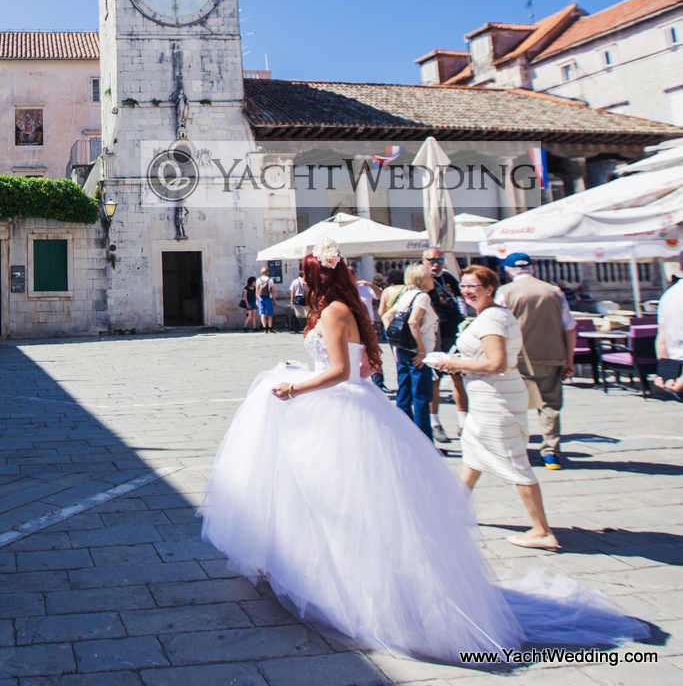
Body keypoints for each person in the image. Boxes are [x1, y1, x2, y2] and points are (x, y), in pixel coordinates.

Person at [200, 238, 647, 663]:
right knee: (341, 502)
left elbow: (338, 372)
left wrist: (294, 387)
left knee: (338, 502)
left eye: (305, 273)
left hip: (340, 409)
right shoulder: (346, 307)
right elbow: (361, 369)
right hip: (356, 405)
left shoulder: (334, 311)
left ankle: (349, 589)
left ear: (316, 275)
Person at [432, 266, 558, 550]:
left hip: (497, 398)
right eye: (464, 286)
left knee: (515, 461)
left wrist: (455, 363)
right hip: (487, 397)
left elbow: (496, 363)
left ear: (489, 289)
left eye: (473, 286)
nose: (467, 291)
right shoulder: (490, 315)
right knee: (473, 453)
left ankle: (541, 530)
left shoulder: (491, 319)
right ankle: (454, 510)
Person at [495, 253, 576, 470]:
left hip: (517, 358)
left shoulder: (505, 292)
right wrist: (569, 359)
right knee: (550, 405)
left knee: (513, 403)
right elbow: (569, 327)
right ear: (532, 268)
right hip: (551, 355)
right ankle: (551, 452)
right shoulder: (554, 291)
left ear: (508, 270)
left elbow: (497, 325)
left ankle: (515, 450)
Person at [382, 263, 438, 439]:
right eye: (429, 276)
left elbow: (386, 316)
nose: (433, 279)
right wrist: (421, 350)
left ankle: (404, 435)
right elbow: (413, 322)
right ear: (421, 280)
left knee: (404, 394)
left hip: (403, 349)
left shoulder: (406, 295)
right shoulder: (422, 297)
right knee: (421, 397)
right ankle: (424, 440)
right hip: (417, 351)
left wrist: (394, 343)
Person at [423, 247, 468, 444]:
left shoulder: (448, 277)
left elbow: (460, 298)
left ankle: (464, 422)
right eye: (432, 260)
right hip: (434, 335)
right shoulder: (422, 279)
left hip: (453, 333)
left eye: (439, 260)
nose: (436, 264)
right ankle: (435, 423)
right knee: (434, 381)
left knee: (459, 377)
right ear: (424, 261)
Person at [654, 250, 683, 397]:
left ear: (679, 266)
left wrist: (664, 373)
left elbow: (662, 340)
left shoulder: (668, 295)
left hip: (676, 366)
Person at [255, 265, 277, 333]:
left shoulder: (258, 280)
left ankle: (265, 329)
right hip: (268, 297)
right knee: (270, 313)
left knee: (262, 313)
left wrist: (257, 299)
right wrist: (274, 300)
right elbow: (273, 291)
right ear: (267, 272)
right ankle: (270, 328)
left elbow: (257, 290)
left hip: (260, 298)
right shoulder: (270, 280)